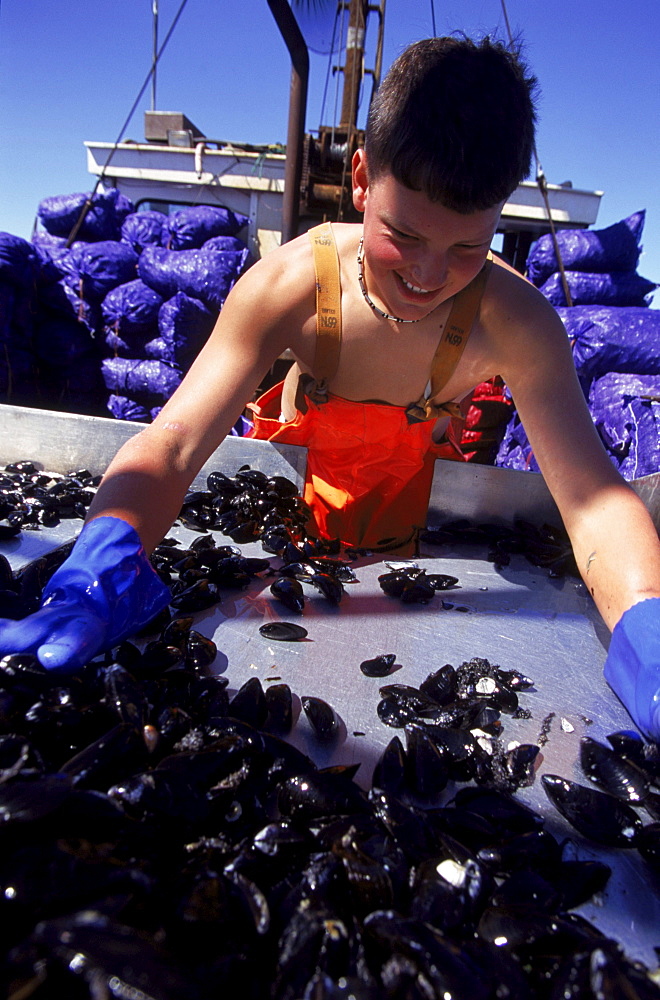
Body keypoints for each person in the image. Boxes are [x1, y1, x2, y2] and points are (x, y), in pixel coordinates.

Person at [0, 36, 659, 737]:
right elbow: (175, 440)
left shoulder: (518, 322)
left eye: (468, 247)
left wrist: (647, 618)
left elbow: (595, 502)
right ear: (361, 178)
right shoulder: (287, 286)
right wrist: (102, 556)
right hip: (287, 536)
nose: (428, 276)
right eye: (402, 233)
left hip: (413, 543)